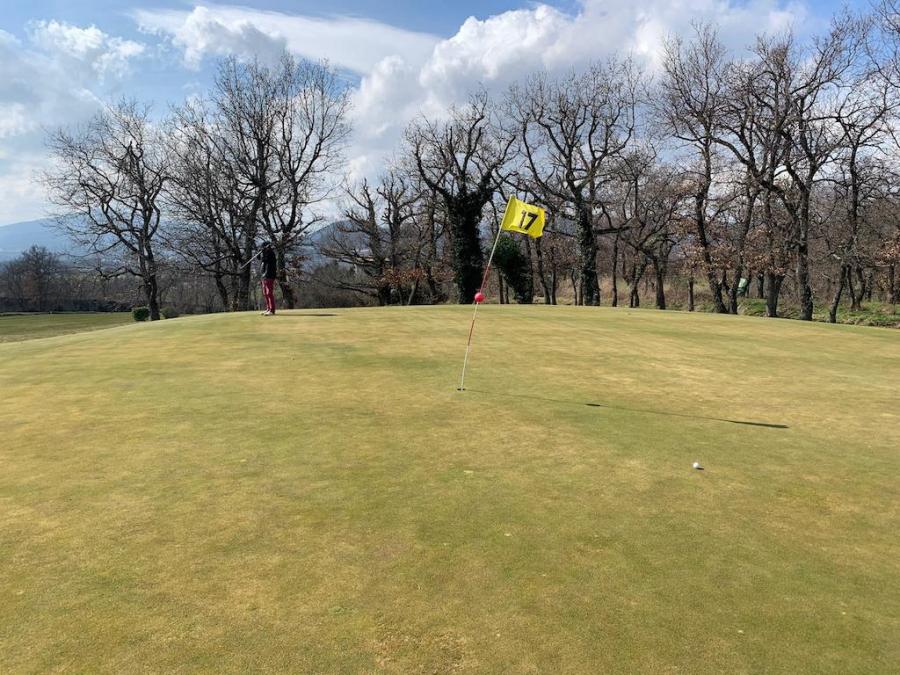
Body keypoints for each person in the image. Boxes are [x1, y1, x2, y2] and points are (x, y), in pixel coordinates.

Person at [260, 242, 277, 316]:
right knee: (265, 293)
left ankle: (272, 310)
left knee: (269, 293)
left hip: (269, 275)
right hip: (264, 275)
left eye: (263, 247)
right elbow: (260, 259)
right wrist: (261, 252)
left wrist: (264, 252)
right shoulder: (265, 253)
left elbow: (265, 259)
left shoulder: (270, 253)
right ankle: (268, 308)